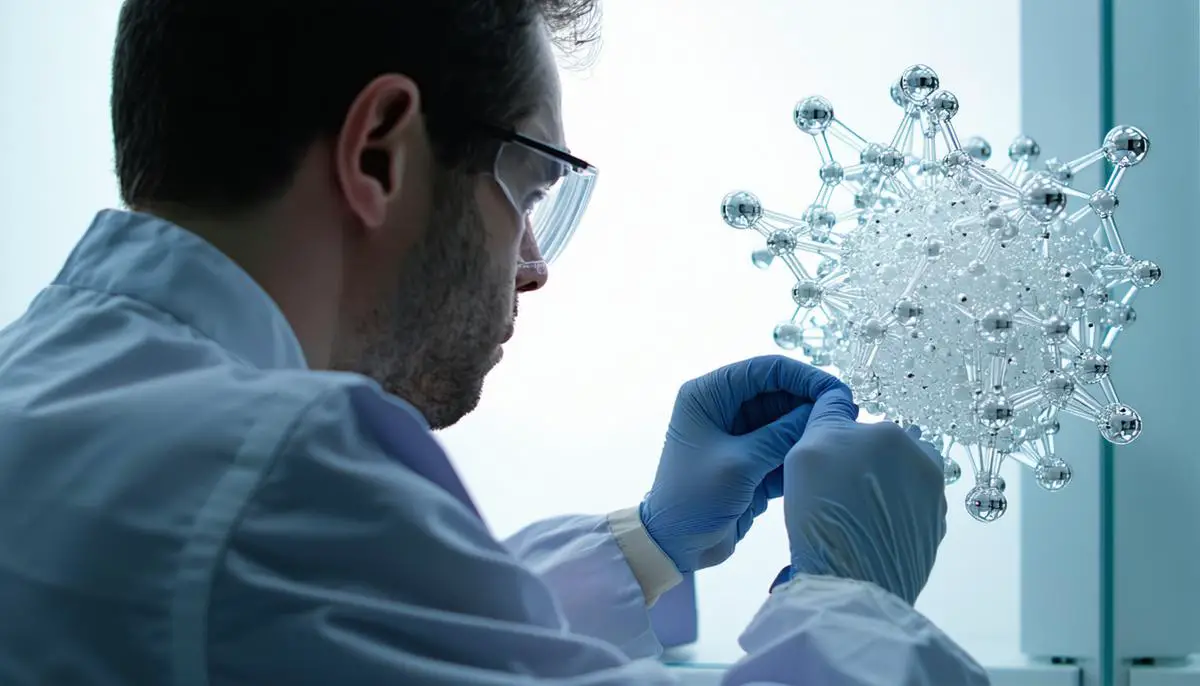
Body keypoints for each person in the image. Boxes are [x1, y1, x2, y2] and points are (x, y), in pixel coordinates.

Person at [0, 0, 991, 684]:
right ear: (380, 150)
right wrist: (851, 595)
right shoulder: (272, 471)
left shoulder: (55, 406)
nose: (530, 263)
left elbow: (363, 641)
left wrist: (649, 546)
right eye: (526, 185)